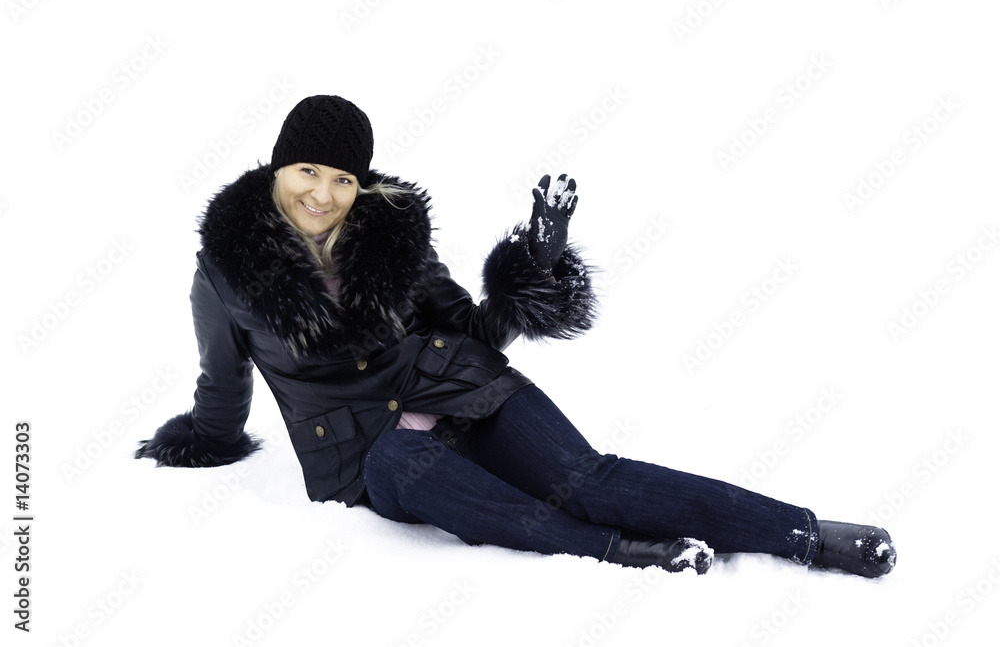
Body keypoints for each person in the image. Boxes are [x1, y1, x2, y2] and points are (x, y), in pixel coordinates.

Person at [136, 94, 896, 578]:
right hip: (367, 454)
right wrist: (202, 439)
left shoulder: (391, 235)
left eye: (344, 179)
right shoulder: (226, 270)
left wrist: (538, 262)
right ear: (279, 167)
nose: (323, 194)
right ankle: (614, 550)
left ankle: (802, 533)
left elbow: (471, 329)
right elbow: (222, 381)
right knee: (402, 456)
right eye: (308, 170)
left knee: (589, 476)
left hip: (460, 389)